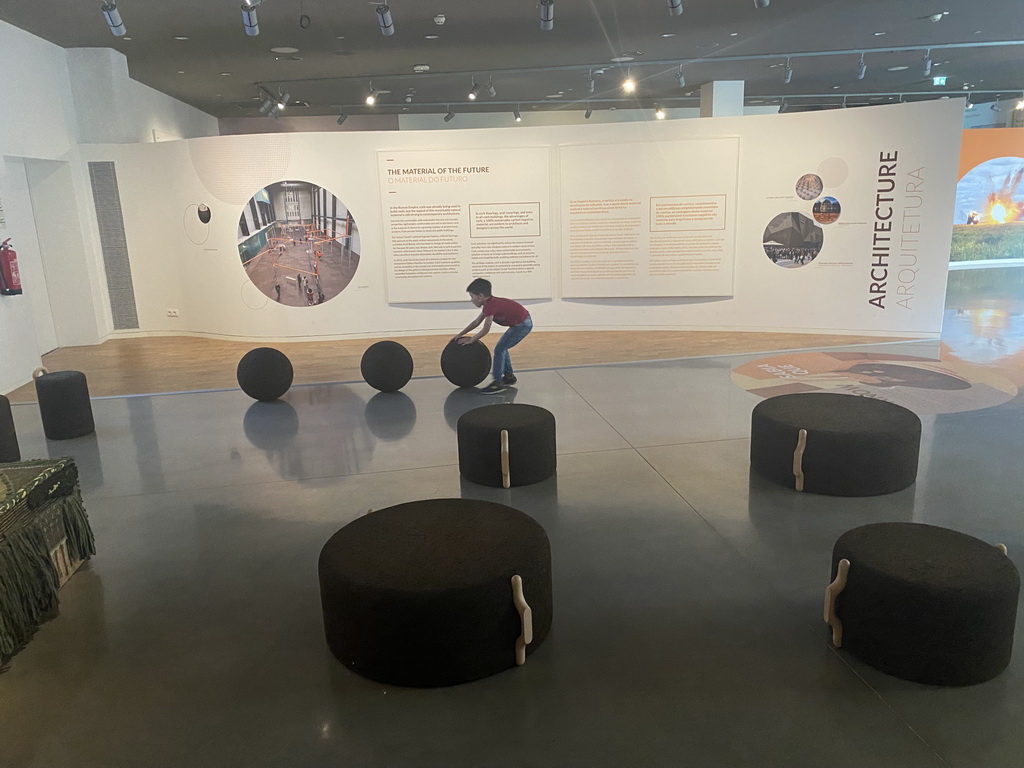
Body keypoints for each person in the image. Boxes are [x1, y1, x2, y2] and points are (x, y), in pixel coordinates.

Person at [452, 277, 532, 393]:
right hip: (519, 323)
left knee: (500, 349)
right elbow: (476, 322)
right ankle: (509, 377)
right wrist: (460, 334)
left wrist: (472, 340)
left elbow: (485, 329)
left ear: (480, 296)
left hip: (523, 324)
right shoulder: (489, 304)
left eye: (472, 297)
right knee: (502, 348)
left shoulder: (491, 306)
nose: (471, 300)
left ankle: (497, 382)